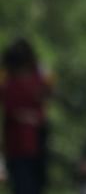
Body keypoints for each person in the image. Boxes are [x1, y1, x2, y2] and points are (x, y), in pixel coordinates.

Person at [0, 38, 53, 194]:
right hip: (15, 140)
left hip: (37, 138)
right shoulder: (6, 76)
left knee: (36, 184)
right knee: (22, 184)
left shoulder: (39, 72)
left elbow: (50, 91)